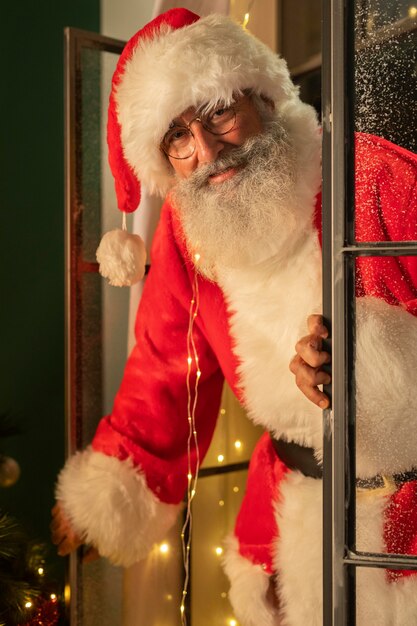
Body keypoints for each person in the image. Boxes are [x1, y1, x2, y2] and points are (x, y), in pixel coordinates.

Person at [50, 9, 417, 625]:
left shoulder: (377, 176)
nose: (209, 151)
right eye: (179, 138)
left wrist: (377, 363)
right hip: (288, 519)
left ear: (261, 96)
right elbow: (168, 362)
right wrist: (114, 479)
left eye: (219, 110)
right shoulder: (188, 228)